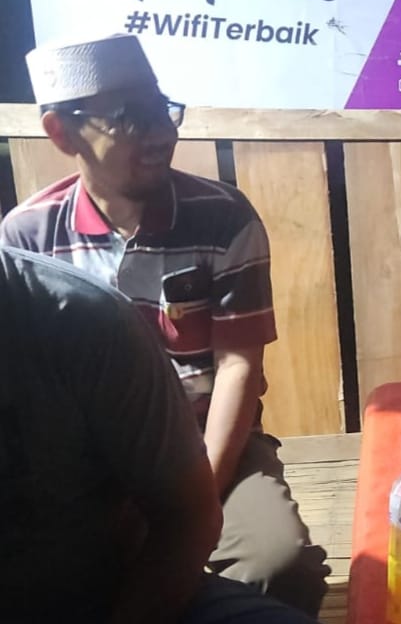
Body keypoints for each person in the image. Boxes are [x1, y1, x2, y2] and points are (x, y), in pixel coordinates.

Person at [0, 34, 327, 616]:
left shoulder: (223, 218)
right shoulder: (27, 238)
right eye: (129, 117)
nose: (158, 133)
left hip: (211, 446)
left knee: (274, 565)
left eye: (161, 109)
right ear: (62, 132)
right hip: (84, 466)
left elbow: (238, 367)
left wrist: (194, 498)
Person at [0, 246, 317, 624]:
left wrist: (194, 481)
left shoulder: (83, 317)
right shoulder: (32, 227)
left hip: (118, 576)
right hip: (162, 458)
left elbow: (188, 515)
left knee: (276, 559)